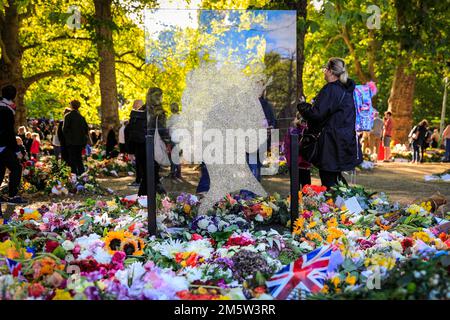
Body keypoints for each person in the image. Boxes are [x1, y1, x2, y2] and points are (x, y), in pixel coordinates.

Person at [297, 57, 362, 189]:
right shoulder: (345, 90)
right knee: (336, 178)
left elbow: (317, 114)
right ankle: (347, 205)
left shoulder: (331, 89)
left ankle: (339, 207)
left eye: (325, 69)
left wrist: (303, 106)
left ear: (331, 71)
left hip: (331, 142)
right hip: (342, 141)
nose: (324, 72)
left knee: (329, 180)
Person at [0, 85, 27, 204]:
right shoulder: (6, 110)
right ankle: (13, 195)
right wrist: (17, 150)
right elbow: (9, 133)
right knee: (16, 168)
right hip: (2, 145)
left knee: (0, 169)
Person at [283, 112, 312, 188]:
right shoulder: (295, 131)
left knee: (301, 187)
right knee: (301, 187)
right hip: (298, 163)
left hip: (300, 163)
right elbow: (288, 148)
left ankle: (303, 199)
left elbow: (286, 149)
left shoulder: (292, 131)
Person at [63, 100, 89, 176]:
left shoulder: (68, 116)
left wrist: (68, 140)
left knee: (72, 160)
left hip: (71, 143)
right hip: (80, 142)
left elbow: (64, 130)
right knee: (79, 159)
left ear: (71, 106)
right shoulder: (81, 117)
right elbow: (85, 130)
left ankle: (74, 176)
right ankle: (82, 175)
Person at [125, 100, 144, 187]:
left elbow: (131, 131)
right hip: (141, 142)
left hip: (139, 142)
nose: (133, 105)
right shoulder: (141, 115)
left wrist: (130, 149)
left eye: (134, 104)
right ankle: (139, 180)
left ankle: (139, 180)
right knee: (140, 163)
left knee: (140, 163)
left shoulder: (136, 115)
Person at [167, 102, 182, 180]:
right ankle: (178, 173)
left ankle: (173, 173)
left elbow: (166, 126)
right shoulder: (181, 117)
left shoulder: (171, 118)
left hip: (173, 139)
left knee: (173, 157)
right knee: (178, 157)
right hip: (181, 140)